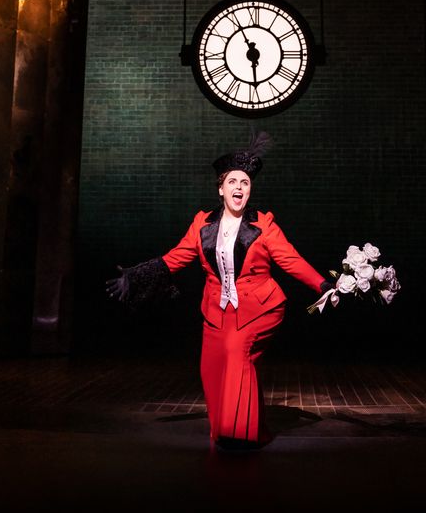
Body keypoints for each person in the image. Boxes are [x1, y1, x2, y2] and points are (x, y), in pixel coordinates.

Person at [106, 133, 332, 450]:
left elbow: (291, 260)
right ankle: (224, 429)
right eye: (233, 182)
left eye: (245, 183)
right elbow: (176, 257)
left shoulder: (264, 225)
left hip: (261, 307)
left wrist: (323, 284)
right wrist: (137, 275)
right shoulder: (202, 224)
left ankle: (239, 434)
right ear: (221, 188)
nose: (240, 187)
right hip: (217, 310)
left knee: (238, 353)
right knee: (211, 368)